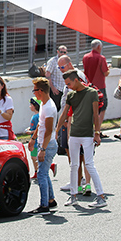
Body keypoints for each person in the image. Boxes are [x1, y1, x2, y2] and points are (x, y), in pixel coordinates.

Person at [58, 70, 107, 209]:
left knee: (89, 164)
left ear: (76, 80)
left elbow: (96, 115)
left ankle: (101, 196)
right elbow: (65, 114)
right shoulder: (71, 94)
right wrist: (57, 130)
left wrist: (97, 133)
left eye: (69, 83)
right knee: (74, 165)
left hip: (87, 134)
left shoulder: (92, 93)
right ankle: (73, 195)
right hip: (74, 134)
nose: (68, 87)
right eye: (66, 85)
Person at [56, 55, 88, 191]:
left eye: (62, 67)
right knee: (69, 150)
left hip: (73, 119)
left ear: (69, 64)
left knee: (76, 152)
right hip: (67, 118)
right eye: (59, 68)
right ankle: (77, 179)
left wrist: (68, 118)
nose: (60, 70)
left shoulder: (77, 76)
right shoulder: (69, 77)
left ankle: (78, 180)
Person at [28, 77, 58, 214]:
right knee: (44, 173)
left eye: (34, 90)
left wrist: (43, 149)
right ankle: (50, 200)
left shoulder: (49, 107)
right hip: (43, 143)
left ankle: (44, 205)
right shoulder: (44, 104)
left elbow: (49, 130)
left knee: (41, 175)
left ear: (40, 91)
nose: (33, 93)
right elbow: (41, 124)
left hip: (48, 144)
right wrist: (33, 139)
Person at [82, 40, 110, 137]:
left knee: (89, 108)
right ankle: (97, 129)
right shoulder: (101, 58)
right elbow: (105, 72)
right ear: (99, 47)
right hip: (99, 86)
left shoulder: (85, 57)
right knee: (102, 106)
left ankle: (90, 128)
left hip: (88, 85)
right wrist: (108, 68)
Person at [45, 45, 68, 109]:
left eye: (64, 52)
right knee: (55, 108)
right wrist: (52, 88)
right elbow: (47, 74)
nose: (63, 54)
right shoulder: (53, 61)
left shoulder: (67, 61)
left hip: (64, 89)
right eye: (61, 52)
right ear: (58, 52)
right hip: (56, 89)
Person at [25, 98, 41, 179]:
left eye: (31, 105)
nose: (29, 106)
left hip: (36, 140)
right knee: (33, 157)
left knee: (34, 157)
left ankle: (39, 171)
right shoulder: (34, 116)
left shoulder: (37, 116)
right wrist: (29, 129)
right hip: (34, 139)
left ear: (35, 106)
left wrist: (31, 132)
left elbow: (39, 128)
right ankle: (36, 171)